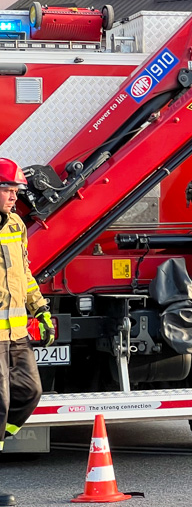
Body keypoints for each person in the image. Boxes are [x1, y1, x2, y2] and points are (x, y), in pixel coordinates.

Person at [0, 159, 54, 507]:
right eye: (6, 189)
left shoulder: (16, 224)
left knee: (30, 391)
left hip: (16, 333)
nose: (13, 196)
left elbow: (23, 274)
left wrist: (41, 310)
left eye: (15, 190)